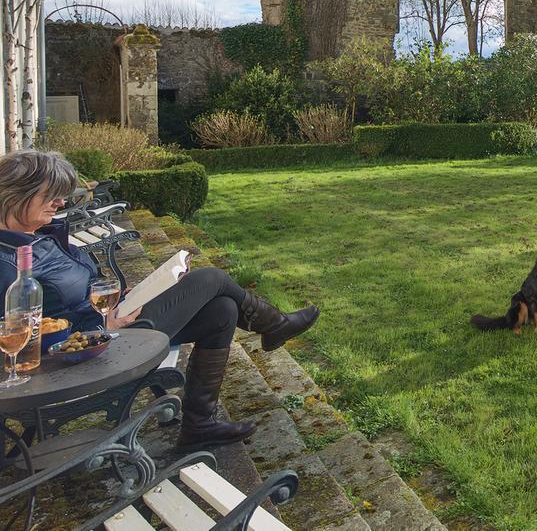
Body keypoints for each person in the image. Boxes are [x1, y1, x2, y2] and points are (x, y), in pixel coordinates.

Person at [0, 150, 319, 447]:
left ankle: (199, 426)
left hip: (107, 325)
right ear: (17, 195)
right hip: (92, 349)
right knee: (211, 277)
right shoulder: (7, 262)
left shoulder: (34, 238)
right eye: (50, 194)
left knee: (222, 310)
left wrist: (119, 301)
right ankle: (274, 325)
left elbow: (66, 296)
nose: (59, 202)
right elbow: (26, 336)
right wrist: (102, 322)